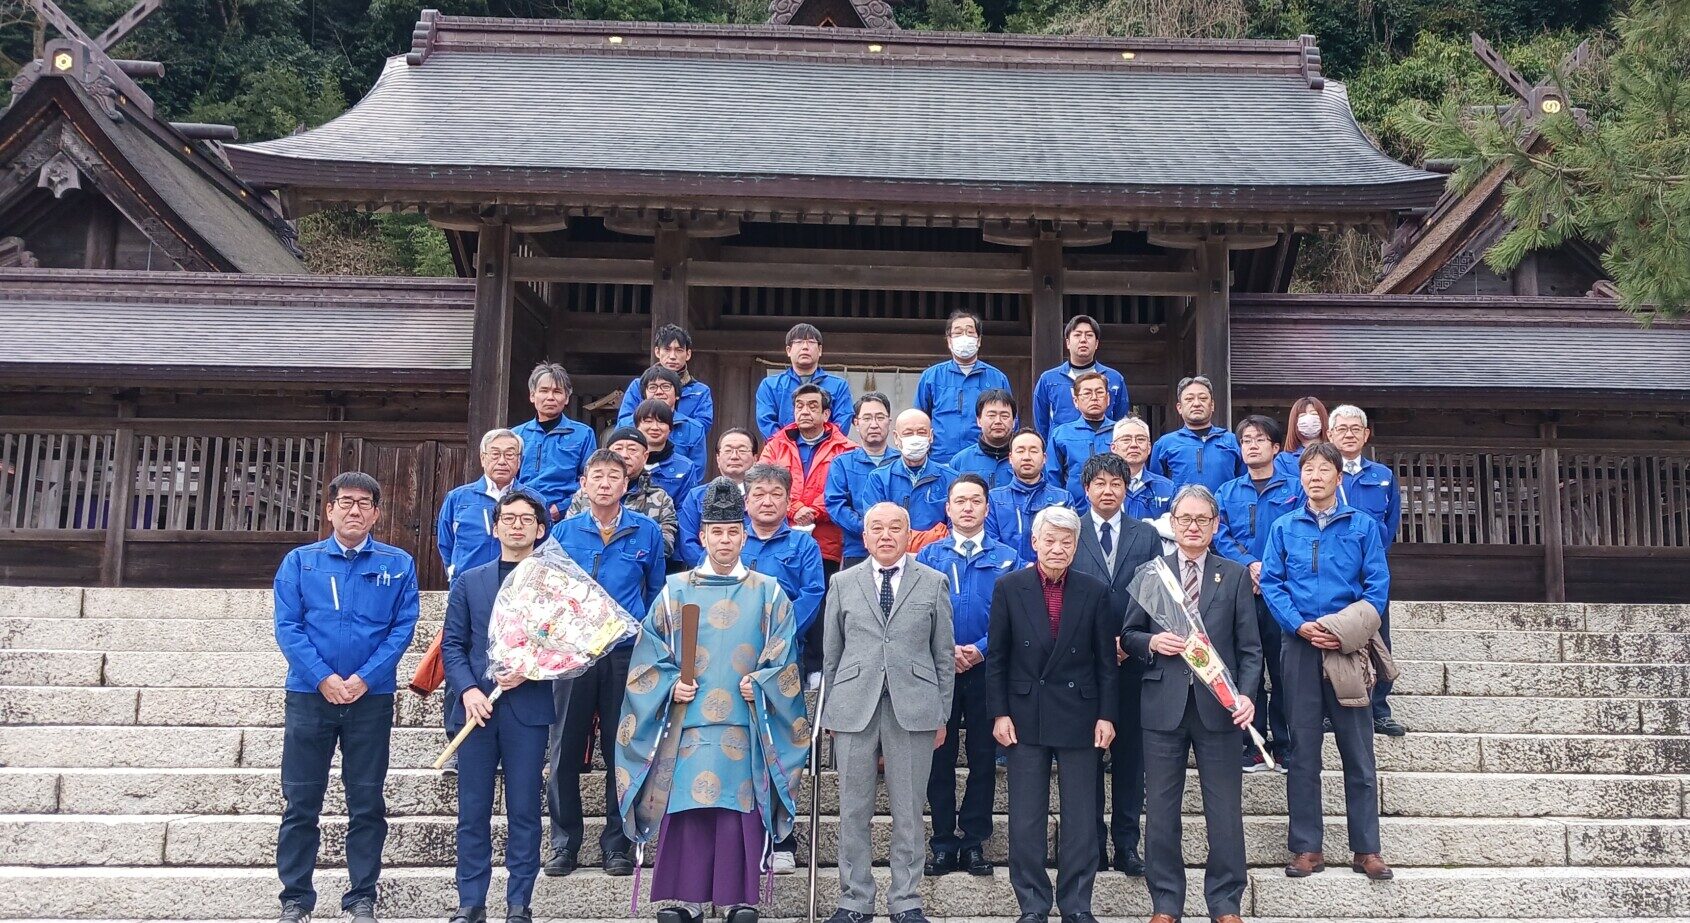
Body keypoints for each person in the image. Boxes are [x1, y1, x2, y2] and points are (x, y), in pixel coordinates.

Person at [616, 478, 810, 923]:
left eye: (732, 532)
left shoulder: (768, 592)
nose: (724, 540)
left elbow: (784, 656)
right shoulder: (675, 589)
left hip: (744, 722)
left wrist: (762, 682)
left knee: (736, 812)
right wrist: (669, 685)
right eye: (715, 533)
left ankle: (737, 898)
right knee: (687, 809)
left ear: (744, 535)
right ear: (701, 536)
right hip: (685, 723)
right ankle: (682, 899)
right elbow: (649, 656)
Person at [273, 472, 420, 923]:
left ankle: (361, 897)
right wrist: (322, 678)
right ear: (330, 509)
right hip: (309, 696)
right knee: (301, 801)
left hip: (369, 700)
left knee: (367, 801)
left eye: (363, 503)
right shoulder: (301, 562)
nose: (354, 510)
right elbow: (288, 626)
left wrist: (365, 678)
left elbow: (402, 628)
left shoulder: (398, 563)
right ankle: (296, 898)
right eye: (345, 502)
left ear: (376, 512)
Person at [1121, 485, 1261, 923]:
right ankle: (1165, 903)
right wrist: (1152, 641)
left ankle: (1225, 902)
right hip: (1163, 705)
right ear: (1172, 524)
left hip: (1219, 706)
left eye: (1203, 519)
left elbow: (1251, 650)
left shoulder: (1234, 574)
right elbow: (1128, 635)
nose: (1194, 526)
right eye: (1185, 519)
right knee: (1161, 812)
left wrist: (1247, 697)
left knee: (1224, 811)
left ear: (1216, 525)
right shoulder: (1152, 572)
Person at [1260, 442, 1393, 882]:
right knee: (1302, 753)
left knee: (1358, 751)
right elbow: (1273, 583)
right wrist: (1298, 625)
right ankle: (1306, 847)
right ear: (1300, 477)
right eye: (1308, 469)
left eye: (1323, 469)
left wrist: (1340, 630)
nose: (1315, 476)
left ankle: (1367, 849)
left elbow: (1376, 588)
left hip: (1348, 649)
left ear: (1339, 476)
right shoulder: (1283, 526)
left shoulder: (1362, 526)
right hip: (1298, 647)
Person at [821, 503, 954, 923]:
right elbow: (831, 654)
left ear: (907, 534)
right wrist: (829, 712)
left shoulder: (932, 582)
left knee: (909, 811)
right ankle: (855, 900)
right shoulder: (842, 583)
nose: (885, 535)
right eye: (876, 528)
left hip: (913, 707)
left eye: (895, 528)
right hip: (853, 708)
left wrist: (941, 714)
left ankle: (906, 901)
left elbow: (944, 656)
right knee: (853, 808)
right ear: (864, 536)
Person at [986, 506, 1117, 923]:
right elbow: (998, 658)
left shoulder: (1094, 591)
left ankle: (1077, 904)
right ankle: (1033, 904)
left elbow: (1105, 663)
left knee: (1081, 817)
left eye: (1067, 541)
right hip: (1024, 714)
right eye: (1050, 540)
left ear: (1077, 547)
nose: (1058, 548)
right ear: (1035, 542)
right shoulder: (1010, 587)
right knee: (1026, 818)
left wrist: (1107, 715)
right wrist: (999, 713)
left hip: (1080, 711)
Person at [546, 450, 667, 878]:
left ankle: (617, 843)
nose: (604, 483)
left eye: (613, 476)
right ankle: (564, 843)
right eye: (596, 476)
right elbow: (551, 590)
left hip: (624, 653)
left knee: (622, 747)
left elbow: (655, 591)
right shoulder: (562, 532)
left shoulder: (646, 531)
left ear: (625, 483)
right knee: (563, 748)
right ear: (583, 482)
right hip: (576, 653)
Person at [443, 488, 558, 923]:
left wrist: (531, 668)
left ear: (539, 529)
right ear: (495, 527)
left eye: (525, 519)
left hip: (526, 710)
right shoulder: (470, 581)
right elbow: (453, 645)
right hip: (476, 710)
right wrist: (469, 690)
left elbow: (564, 646)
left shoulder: (552, 584)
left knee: (525, 811)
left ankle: (518, 904)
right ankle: (470, 902)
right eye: (507, 518)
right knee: (472, 811)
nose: (515, 525)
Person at [916, 474, 1017, 878]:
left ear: (987, 508)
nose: (968, 507)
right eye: (960, 500)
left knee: (982, 758)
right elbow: (917, 614)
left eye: (976, 500)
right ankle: (942, 842)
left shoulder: (1009, 558)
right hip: (938, 672)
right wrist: (947, 651)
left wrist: (980, 650)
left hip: (987, 670)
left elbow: (1012, 619)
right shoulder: (928, 557)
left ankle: (974, 842)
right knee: (938, 759)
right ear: (948, 508)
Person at [1068, 453, 1161, 877]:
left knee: (1130, 758)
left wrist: (1129, 641)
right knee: (1085, 758)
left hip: (1132, 661)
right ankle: (1090, 845)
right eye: (1100, 483)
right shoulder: (1071, 531)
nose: (1108, 491)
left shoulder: (1146, 535)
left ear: (1127, 488)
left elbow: (1156, 593)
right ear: (1086, 489)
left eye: (1116, 483)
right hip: (1082, 665)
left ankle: (1127, 843)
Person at [739, 461, 827, 874]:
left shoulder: (803, 544)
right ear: (746, 499)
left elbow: (813, 591)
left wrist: (779, 632)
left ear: (788, 499)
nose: (768, 501)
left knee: (778, 748)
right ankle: (741, 837)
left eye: (776, 494)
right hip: (733, 655)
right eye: (759, 494)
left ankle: (782, 838)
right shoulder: (733, 539)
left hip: (783, 658)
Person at [1213, 415, 1302, 771]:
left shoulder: (1295, 489)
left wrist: (1268, 569)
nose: (1252, 445)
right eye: (1246, 439)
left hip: (1281, 595)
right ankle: (1252, 743)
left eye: (1260, 439)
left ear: (1276, 448)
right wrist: (1248, 564)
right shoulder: (1228, 491)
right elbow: (1219, 534)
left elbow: (1298, 533)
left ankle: (1284, 744)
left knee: (1281, 671)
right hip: (1241, 592)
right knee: (1247, 669)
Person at [760, 383, 857, 681]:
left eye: (813, 406)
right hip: (780, 539)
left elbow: (843, 493)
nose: (805, 411)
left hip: (826, 543)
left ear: (827, 413)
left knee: (822, 606)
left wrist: (812, 509)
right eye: (800, 406)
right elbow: (761, 484)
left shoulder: (846, 449)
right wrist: (793, 509)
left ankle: (818, 670)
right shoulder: (776, 445)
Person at [1327, 404, 1406, 736]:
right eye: (1341, 428)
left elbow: (1390, 524)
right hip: (1332, 574)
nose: (1348, 433)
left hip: (1372, 573)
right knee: (1333, 639)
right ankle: (1333, 709)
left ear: (1366, 434)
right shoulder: (1324, 473)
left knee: (1378, 638)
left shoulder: (1382, 476)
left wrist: (1370, 560)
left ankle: (1378, 709)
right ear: (1329, 434)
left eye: (1355, 428)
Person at [914, 310, 1015, 463]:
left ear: (979, 340)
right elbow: (918, 419)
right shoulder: (931, 377)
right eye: (958, 332)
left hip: (983, 459)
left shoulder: (997, 378)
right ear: (949, 341)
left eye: (970, 332)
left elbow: (1011, 419)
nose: (964, 337)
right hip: (940, 460)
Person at [564, 428, 679, 559]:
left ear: (645, 456)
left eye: (632, 449)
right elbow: (570, 537)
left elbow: (665, 546)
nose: (624, 455)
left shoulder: (660, 498)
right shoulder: (585, 494)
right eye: (618, 449)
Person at [437, 428, 526, 585]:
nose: (502, 461)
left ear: (519, 461)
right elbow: (446, 544)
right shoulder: (457, 498)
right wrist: (456, 571)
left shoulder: (533, 500)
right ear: (483, 458)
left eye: (510, 455)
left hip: (518, 588)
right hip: (467, 585)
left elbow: (542, 544)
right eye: (495, 454)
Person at [513, 362, 598, 522]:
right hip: (520, 515)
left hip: (566, 516)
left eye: (557, 391)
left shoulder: (583, 434)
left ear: (566, 398)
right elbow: (508, 478)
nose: (550, 397)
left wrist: (561, 508)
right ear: (532, 395)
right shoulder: (516, 435)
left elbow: (590, 479)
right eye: (544, 391)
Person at [825, 392, 898, 569]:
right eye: (867, 418)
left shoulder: (901, 462)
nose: (874, 424)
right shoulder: (842, 463)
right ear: (856, 423)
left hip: (898, 549)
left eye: (880, 417)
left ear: (889, 421)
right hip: (856, 550)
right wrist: (869, 529)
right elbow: (836, 505)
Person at [1032, 315, 1130, 439]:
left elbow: (1120, 420)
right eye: (1077, 335)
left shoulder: (1114, 378)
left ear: (1096, 343)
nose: (1083, 340)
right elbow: (1041, 424)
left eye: (1089, 335)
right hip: (1063, 450)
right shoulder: (1048, 379)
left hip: (1104, 450)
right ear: (1067, 342)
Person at [984, 429, 1071, 565]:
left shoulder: (1063, 498)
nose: (1027, 457)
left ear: (1044, 458)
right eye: (1020, 451)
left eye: (1033, 451)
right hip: (1007, 577)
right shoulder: (994, 499)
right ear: (1010, 458)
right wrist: (1022, 568)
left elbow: (1068, 542)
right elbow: (990, 543)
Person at [756, 323, 855, 439]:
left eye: (811, 342)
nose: (805, 347)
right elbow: (766, 422)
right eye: (798, 342)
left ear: (820, 350)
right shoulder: (769, 385)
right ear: (788, 350)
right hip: (783, 453)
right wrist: (786, 446)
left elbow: (843, 420)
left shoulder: (839, 385)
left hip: (827, 453)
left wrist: (822, 444)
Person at [678, 428, 760, 568]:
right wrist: (716, 567)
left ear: (755, 458)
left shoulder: (763, 497)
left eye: (742, 450)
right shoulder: (696, 496)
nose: (734, 456)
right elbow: (687, 543)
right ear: (717, 458)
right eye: (728, 450)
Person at [865, 409, 958, 532]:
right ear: (896, 438)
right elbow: (875, 526)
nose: (915, 438)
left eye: (921, 432)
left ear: (930, 436)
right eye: (908, 433)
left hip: (937, 550)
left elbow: (957, 526)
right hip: (894, 550)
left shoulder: (951, 479)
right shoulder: (879, 478)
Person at [1148, 376, 1244, 494]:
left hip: (1223, 511)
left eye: (1203, 398)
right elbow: (1156, 488)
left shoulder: (1232, 441)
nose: (1196, 404)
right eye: (1189, 399)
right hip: (1181, 511)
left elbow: (1244, 483)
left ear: (1212, 405)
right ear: (1179, 408)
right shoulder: (1165, 444)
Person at [617, 324, 715, 433]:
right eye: (667, 349)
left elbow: (702, 428)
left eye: (679, 350)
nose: (672, 356)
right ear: (657, 352)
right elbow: (624, 424)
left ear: (688, 354)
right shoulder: (638, 385)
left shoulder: (700, 391)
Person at [1048, 371, 1119, 505]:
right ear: (1076, 401)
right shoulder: (1061, 434)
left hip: (1114, 508)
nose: (1094, 398)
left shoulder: (1121, 432)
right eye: (1087, 393)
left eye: (1099, 392)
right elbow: (1052, 478)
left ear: (1108, 398)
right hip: (1075, 510)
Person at [637, 365, 709, 476]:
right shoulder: (626, 425)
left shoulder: (694, 429)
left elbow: (696, 474)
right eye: (652, 387)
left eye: (666, 386)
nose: (659, 392)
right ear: (644, 394)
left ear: (677, 394)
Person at [634, 399, 699, 513]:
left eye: (661, 422)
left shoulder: (685, 467)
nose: (655, 427)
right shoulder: (624, 462)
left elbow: (686, 511)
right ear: (637, 426)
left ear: (670, 428)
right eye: (648, 421)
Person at [947, 390, 1018, 488]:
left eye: (1004, 416)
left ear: (1014, 421)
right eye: (991, 415)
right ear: (979, 420)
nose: (998, 421)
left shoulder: (1025, 458)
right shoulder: (960, 461)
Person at [1110, 417, 1175, 522]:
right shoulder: (1103, 487)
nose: (1134, 445)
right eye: (1126, 440)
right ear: (1113, 448)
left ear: (1149, 448)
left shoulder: (1167, 488)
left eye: (1140, 439)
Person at [1276, 396, 1328, 479]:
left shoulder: (1337, 454)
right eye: (1302, 415)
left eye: (1314, 414)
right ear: (1295, 422)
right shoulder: (1284, 460)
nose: (1309, 419)